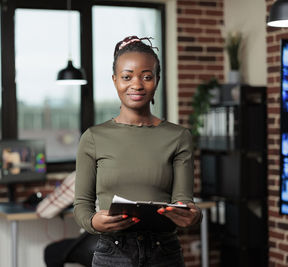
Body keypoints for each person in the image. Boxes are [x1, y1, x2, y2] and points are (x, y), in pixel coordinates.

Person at [73, 36, 202, 267]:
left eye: (146, 76)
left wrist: (193, 215)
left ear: (157, 80)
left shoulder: (178, 137)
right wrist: (94, 222)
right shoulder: (93, 138)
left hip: (165, 253)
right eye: (126, 77)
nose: (137, 85)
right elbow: (82, 205)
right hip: (112, 253)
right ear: (115, 80)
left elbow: (183, 201)